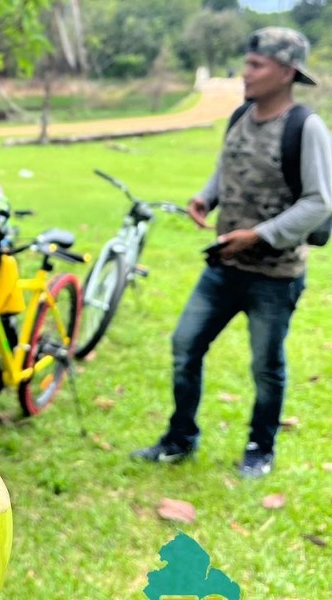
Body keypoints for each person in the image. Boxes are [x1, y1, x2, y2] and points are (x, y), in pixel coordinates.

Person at [132, 27, 332, 478]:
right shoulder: (241, 115)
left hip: (275, 276)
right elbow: (227, 167)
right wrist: (206, 197)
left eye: (257, 65)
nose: (246, 72)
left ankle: (260, 448)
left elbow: (320, 201)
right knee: (185, 345)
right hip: (224, 265)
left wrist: (259, 235)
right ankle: (180, 439)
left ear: (286, 72)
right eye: (247, 63)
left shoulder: (306, 127)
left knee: (265, 366)